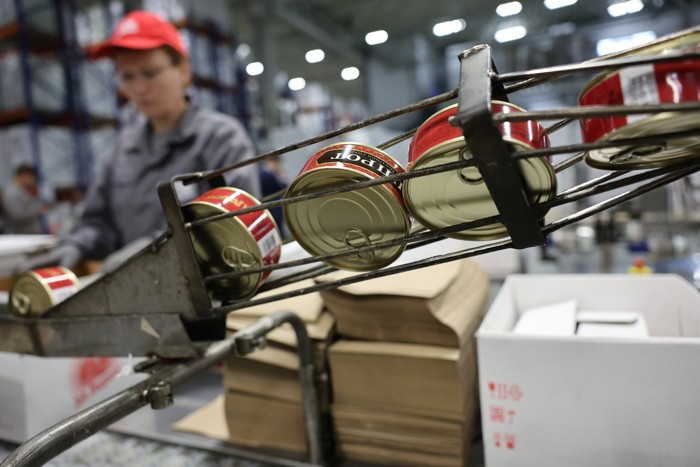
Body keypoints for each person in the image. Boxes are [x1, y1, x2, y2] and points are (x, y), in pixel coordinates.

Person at [21, 10, 260, 271]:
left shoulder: (221, 139)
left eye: (150, 72)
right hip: (134, 289)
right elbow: (99, 223)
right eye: (127, 76)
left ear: (183, 69)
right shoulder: (121, 152)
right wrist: (77, 245)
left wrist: (152, 251)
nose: (139, 88)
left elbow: (232, 225)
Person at [2, 164, 49, 234]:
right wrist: (38, 210)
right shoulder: (12, 193)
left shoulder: (20, 190)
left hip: (28, 232)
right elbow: (17, 215)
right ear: (23, 176)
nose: (32, 181)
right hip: (24, 233)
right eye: (30, 177)